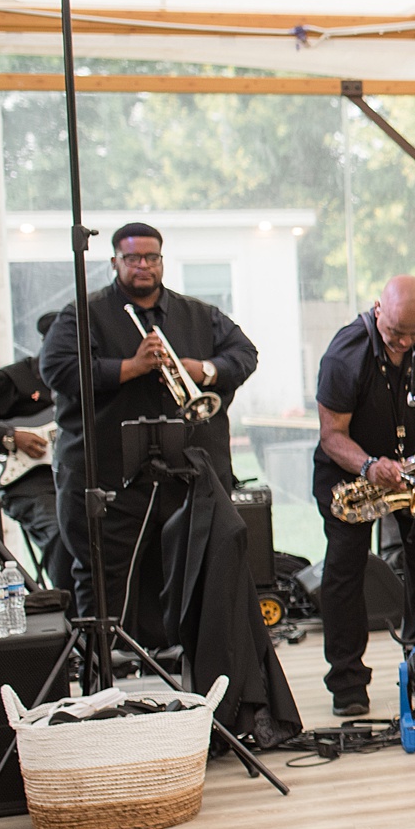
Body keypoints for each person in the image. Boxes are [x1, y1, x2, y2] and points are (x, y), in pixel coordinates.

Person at [39, 221, 259, 642]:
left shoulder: (197, 314)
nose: (143, 266)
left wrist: (202, 369)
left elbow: (245, 354)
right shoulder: (82, 315)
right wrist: (131, 368)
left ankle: (182, 664)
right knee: (107, 578)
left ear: (161, 260)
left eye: (151, 257)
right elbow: (57, 368)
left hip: (184, 473)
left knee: (188, 572)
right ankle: (109, 666)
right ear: (114, 262)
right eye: (133, 258)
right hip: (109, 477)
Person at [313, 275, 415, 717]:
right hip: (353, 475)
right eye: (394, 332)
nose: (402, 342)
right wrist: (369, 467)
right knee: (345, 574)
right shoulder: (346, 354)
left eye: (412, 334)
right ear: (378, 308)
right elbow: (331, 436)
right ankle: (347, 683)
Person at [0, 311, 72, 593]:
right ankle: (72, 615)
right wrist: (11, 436)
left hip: (75, 475)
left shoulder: (85, 381)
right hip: (28, 483)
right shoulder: (13, 380)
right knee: (62, 536)